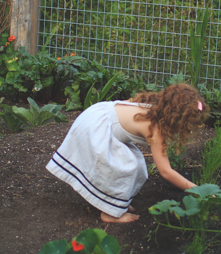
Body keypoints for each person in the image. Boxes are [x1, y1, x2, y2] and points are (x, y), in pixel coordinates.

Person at [46, 82, 208, 223]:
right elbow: (166, 171)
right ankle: (109, 213)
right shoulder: (157, 129)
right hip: (96, 130)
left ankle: (114, 201)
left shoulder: (154, 105)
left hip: (95, 115)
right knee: (124, 167)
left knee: (137, 163)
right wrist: (198, 191)